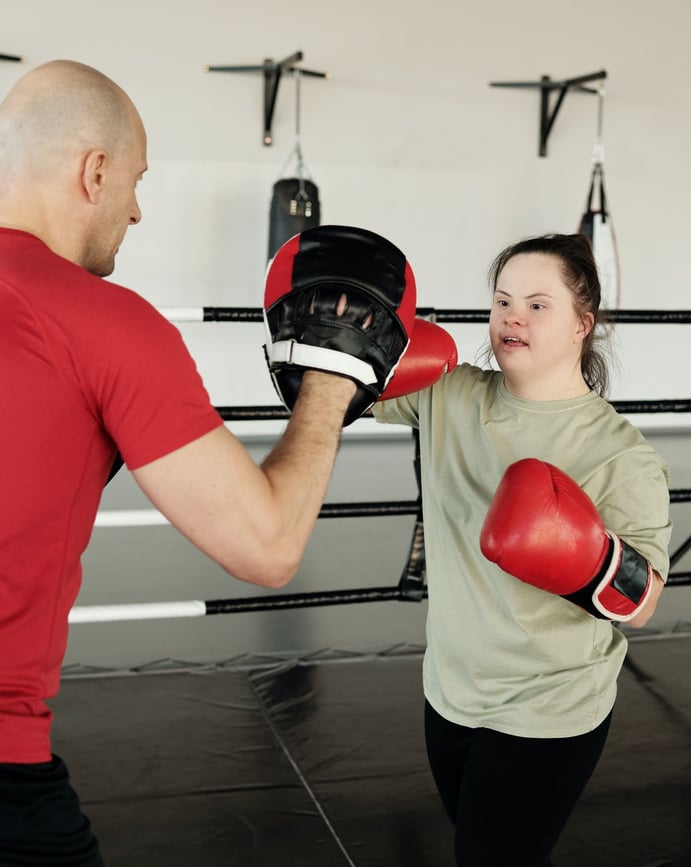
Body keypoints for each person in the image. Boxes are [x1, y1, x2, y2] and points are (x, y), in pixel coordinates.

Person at [0, 59, 454, 866]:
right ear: (95, 171)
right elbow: (266, 545)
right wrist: (332, 378)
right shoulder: (102, 324)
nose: (135, 210)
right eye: (136, 181)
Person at [372, 233, 672, 867]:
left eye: (538, 305)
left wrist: (581, 552)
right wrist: (345, 320)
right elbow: (344, 387)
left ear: (581, 324)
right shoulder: (449, 393)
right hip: (450, 693)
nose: (512, 317)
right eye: (503, 301)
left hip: (549, 709)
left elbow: (643, 603)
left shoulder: (620, 455)